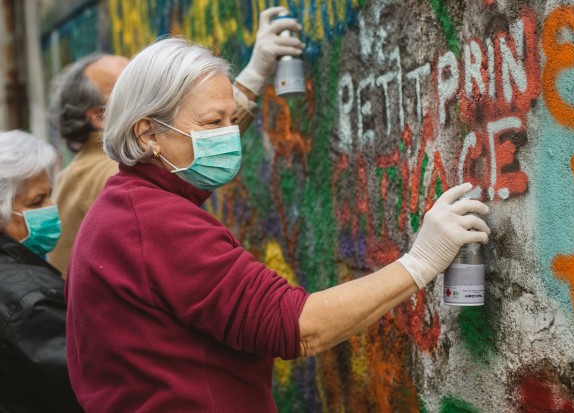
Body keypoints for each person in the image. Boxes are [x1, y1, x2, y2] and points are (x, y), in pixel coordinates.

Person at [64, 37, 491, 412]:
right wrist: (420, 262)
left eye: (232, 120)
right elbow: (301, 328)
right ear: (147, 134)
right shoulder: (154, 223)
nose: (229, 136)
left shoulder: (126, 206)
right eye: (213, 123)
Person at [48, 6, 304, 278]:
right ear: (100, 117)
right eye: (124, 88)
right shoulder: (103, 178)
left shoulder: (95, 172)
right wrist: (252, 76)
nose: (142, 91)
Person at [0, 130, 83, 412]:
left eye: (49, 196)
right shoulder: (30, 300)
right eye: (37, 202)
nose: (50, 209)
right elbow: (82, 389)